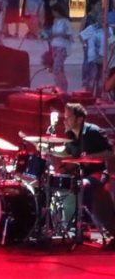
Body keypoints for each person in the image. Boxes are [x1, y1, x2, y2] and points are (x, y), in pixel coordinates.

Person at [54, 102, 115, 242]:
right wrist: (47, 147)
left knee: (83, 185)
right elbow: (65, 151)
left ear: (79, 119)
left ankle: (81, 226)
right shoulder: (69, 135)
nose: (65, 120)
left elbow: (110, 152)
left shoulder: (93, 131)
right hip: (81, 175)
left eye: (68, 117)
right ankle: (68, 227)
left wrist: (91, 157)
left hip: (98, 174)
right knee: (63, 184)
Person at [49, 2, 73, 94]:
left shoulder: (65, 22)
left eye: (54, 11)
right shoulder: (56, 21)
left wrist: (59, 34)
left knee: (57, 68)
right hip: (55, 46)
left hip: (62, 47)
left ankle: (60, 87)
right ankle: (60, 86)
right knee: (59, 69)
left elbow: (70, 36)